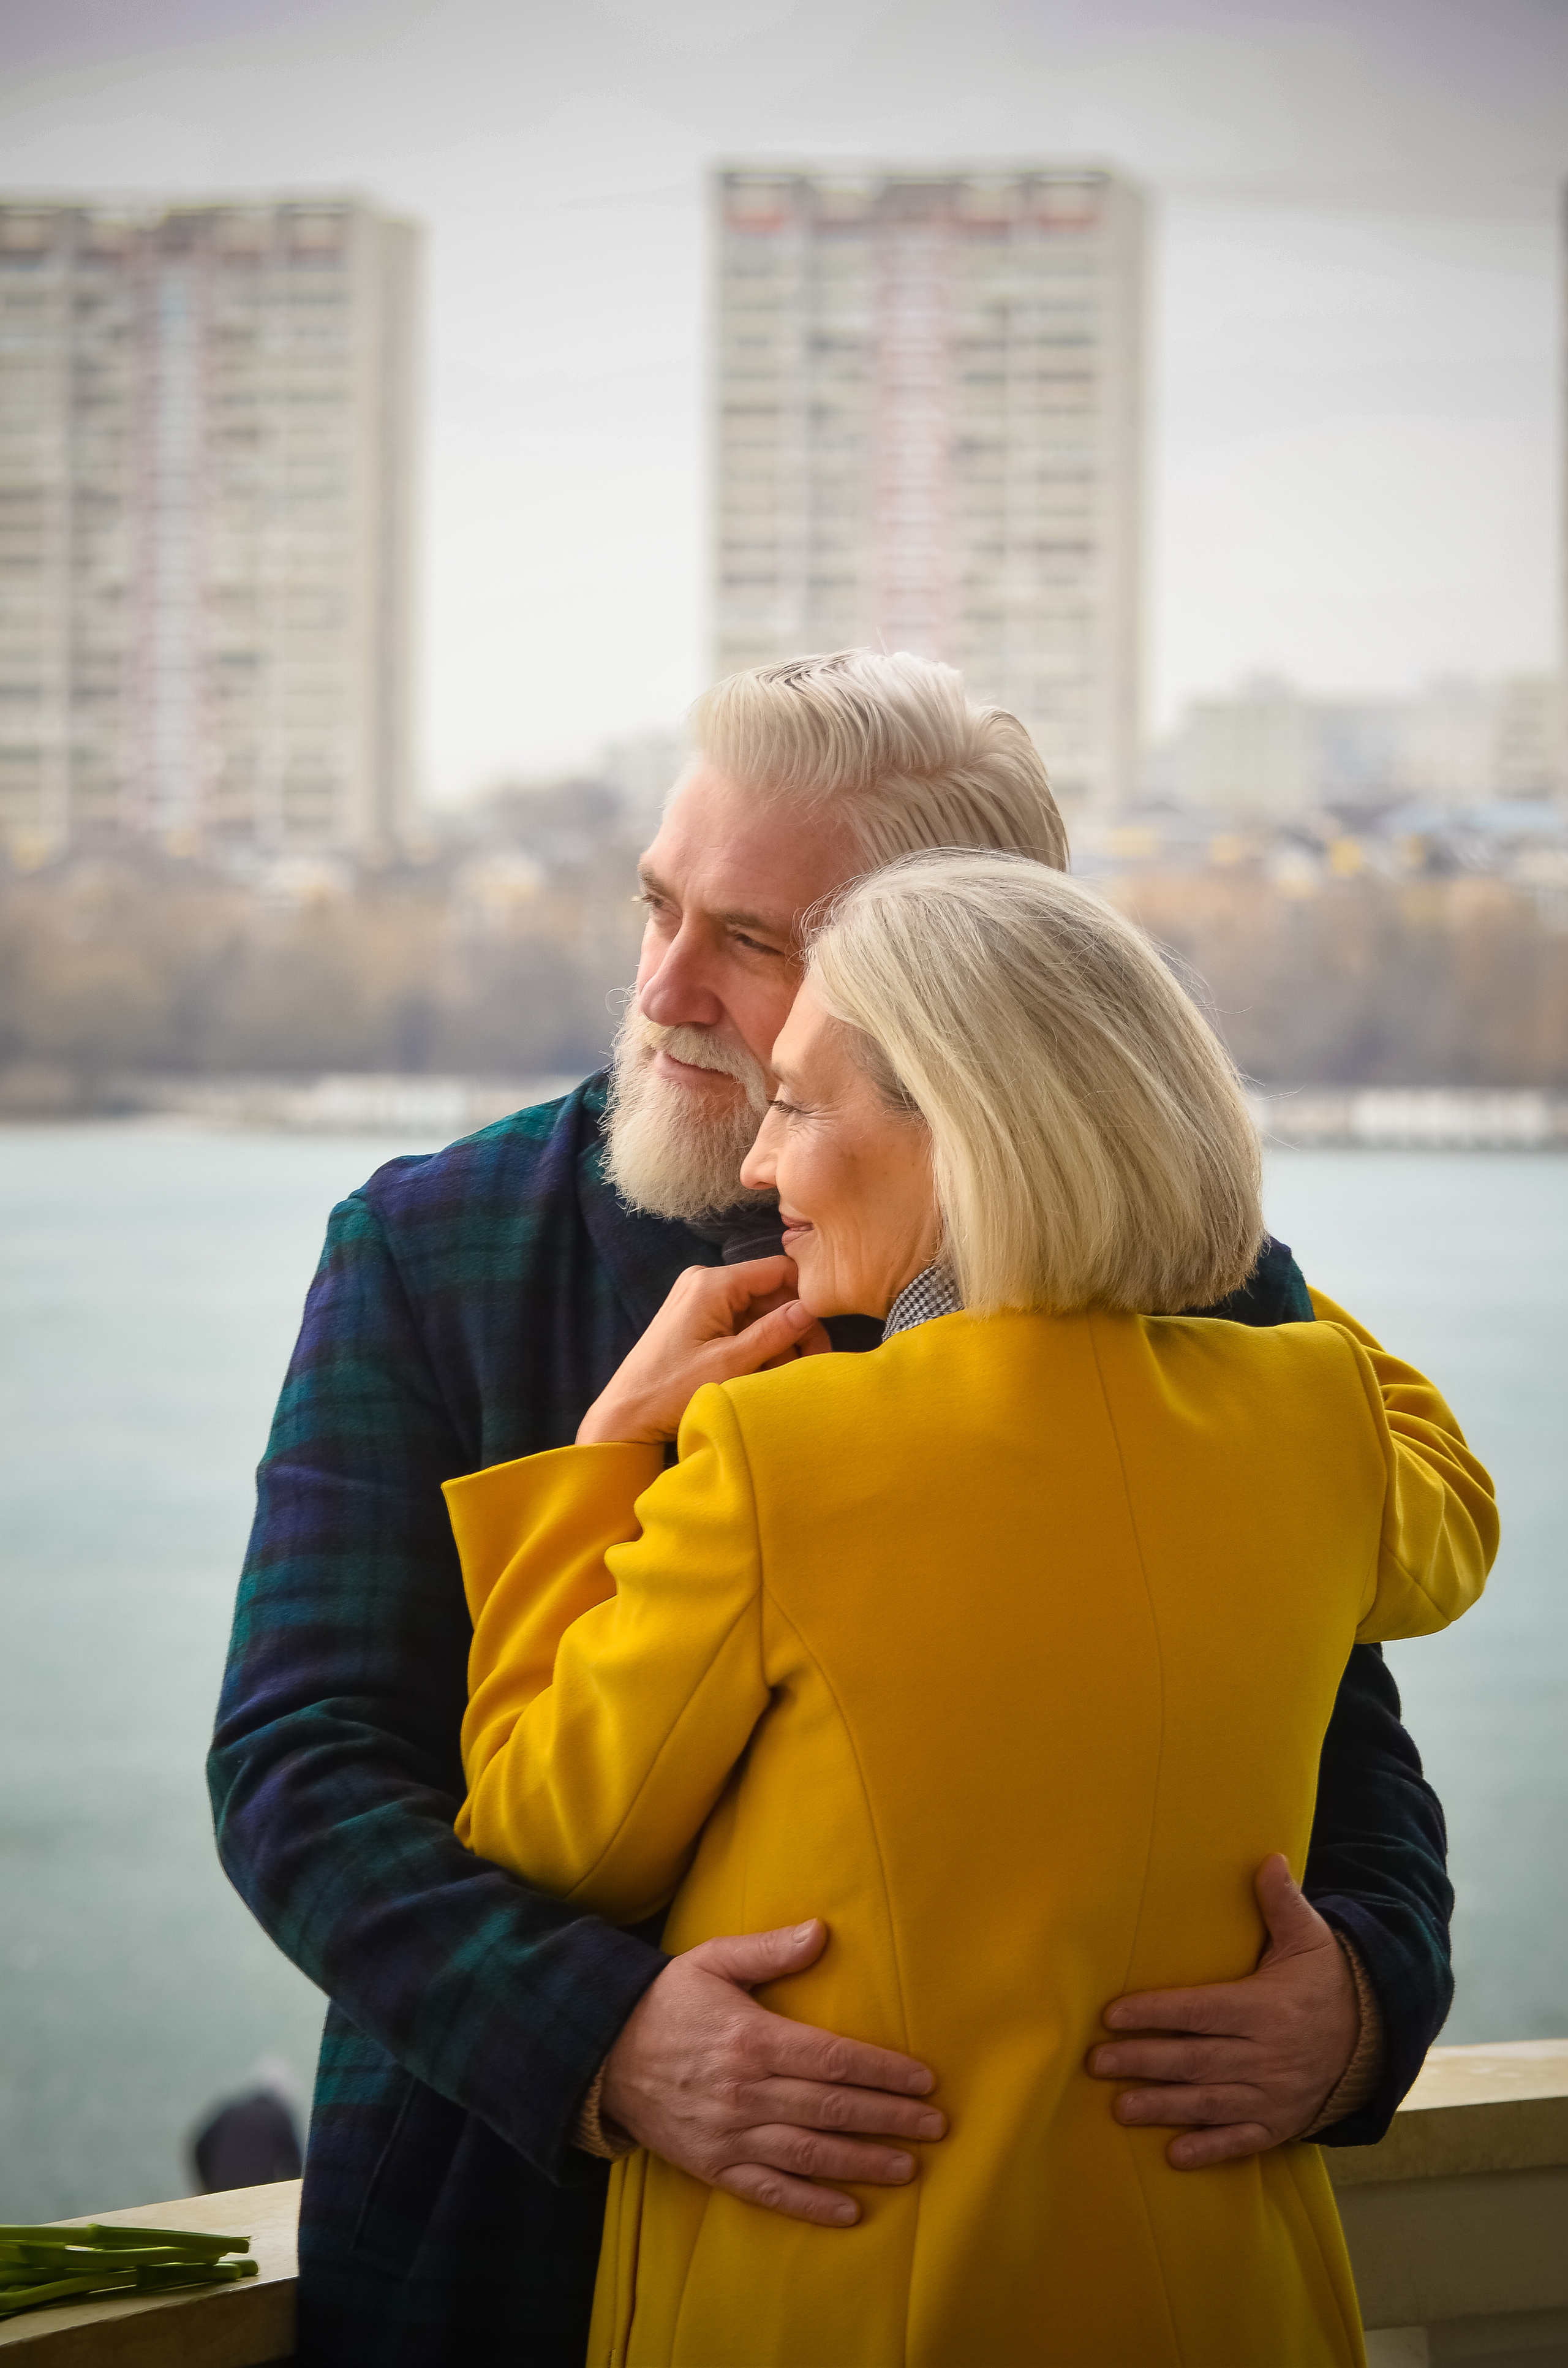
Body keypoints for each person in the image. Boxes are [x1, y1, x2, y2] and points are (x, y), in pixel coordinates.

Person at [209, 651, 1462, 2365]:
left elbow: (1344, 1739)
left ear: (957, 974)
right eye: (659, 903)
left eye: (754, 939)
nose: (664, 986)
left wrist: (1364, 2003)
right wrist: (608, 2035)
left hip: (1048, 2271)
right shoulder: (426, 1246)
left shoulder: (1192, 1283)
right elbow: (302, 1765)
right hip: (483, 2259)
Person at [447, 851, 1496, 2367]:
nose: (756, 1166)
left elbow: (548, 1835)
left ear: (965, 1132)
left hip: (850, 2301)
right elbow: (1450, 1518)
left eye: (799, 1104)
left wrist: (601, 1462)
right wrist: (1205, 1240)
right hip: (1221, 2297)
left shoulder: (775, 1459)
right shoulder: (1315, 1421)